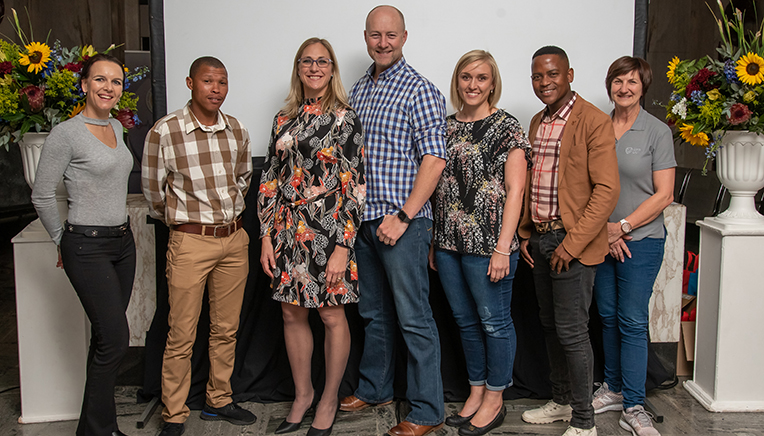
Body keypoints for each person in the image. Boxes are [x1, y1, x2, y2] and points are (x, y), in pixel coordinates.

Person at [338, 5, 447, 436]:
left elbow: (434, 160)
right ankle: (376, 387)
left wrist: (403, 216)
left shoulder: (420, 89)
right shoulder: (359, 87)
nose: (382, 43)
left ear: (404, 37)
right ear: (366, 36)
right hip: (364, 220)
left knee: (414, 318)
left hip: (402, 223)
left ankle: (426, 411)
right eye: (375, 35)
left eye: (391, 35)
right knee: (373, 314)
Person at [141, 56, 255, 436]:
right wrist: (184, 221)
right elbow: (153, 193)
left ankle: (218, 399)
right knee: (182, 332)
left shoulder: (236, 129)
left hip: (234, 240)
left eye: (222, 82)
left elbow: (243, 178)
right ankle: (174, 413)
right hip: (190, 240)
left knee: (226, 328)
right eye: (208, 81)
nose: (216, 89)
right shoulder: (166, 131)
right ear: (191, 83)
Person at [258, 37, 365, 436]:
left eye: (323, 61)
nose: (315, 67)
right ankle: (302, 395)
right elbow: (269, 181)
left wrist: (342, 247)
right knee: (291, 312)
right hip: (287, 230)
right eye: (308, 61)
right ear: (298, 67)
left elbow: (354, 187)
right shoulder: (282, 119)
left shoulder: (346, 118)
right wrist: (266, 237)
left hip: (330, 232)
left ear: (332, 69)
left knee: (331, 314)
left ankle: (329, 398)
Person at [31, 53, 136, 436]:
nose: (108, 87)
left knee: (105, 341)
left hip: (122, 245)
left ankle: (97, 429)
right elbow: (42, 195)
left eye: (116, 82)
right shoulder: (66, 133)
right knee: (116, 339)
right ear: (84, 85)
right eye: (100, 80)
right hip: (86, 247)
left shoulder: (117, 130)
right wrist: (63, 241)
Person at [518, 46, 620, 436]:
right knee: (550, 326)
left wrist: (570, 245)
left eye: (552, 74)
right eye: (537, 76)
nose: (545, 83)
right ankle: (561, 402)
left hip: (572, 244)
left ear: (570, 74)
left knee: (573, 332)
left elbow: (606, 191)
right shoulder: (537, 121)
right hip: (542, 240)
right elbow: (534, 181)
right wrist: (527, 232)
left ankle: (584, 421)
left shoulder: (592, 121)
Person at [428, 50, 530, 436]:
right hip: (449, 243)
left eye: (481, 78)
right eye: (466, 77)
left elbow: (515, 190)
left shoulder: (507, 127)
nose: (473, 85)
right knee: (465, 322)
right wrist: (436, 242)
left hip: (489, 245)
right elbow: (440, 186)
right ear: (458, 81)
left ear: (492, 83)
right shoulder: (446, 126)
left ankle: (494, 397)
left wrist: (505, 247)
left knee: (494, 322)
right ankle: (475, 390)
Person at [591, 56, 675, 436]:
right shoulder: (598, 126)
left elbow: (664, 195)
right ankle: (612, 388)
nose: (624, 88)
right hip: (601, 241)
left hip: (639, 242)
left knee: (632, 320)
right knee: (606, 316)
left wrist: (621, 228)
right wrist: (603, 233)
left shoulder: (656, 131)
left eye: (632, 82)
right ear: (609, 85)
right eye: (618, 81)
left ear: (643, 87)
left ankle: (635, 405)